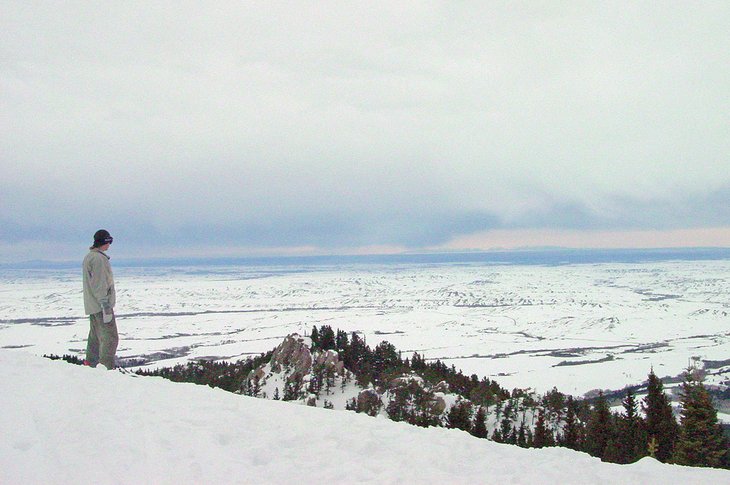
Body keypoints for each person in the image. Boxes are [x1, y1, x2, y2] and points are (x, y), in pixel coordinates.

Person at [82, 229, 118, 369]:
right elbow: (99, 283)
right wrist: (105, 305)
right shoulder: (98, 259)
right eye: (109, 241)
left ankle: (91, 364)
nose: (109, 245)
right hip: (101, 306)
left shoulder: (90, 257)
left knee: (95, 337)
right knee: (110, 338)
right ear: (104, 242)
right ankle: (106, 368)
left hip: (93, 305)